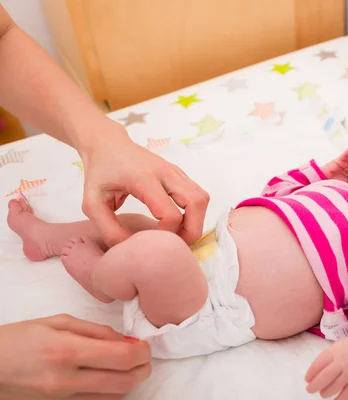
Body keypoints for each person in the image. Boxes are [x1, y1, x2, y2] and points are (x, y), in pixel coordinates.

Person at [8, 143, 348, 400]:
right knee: (138, 225)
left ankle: (101, 280)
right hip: (207, 247)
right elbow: (276, 193)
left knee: (156, 254)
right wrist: (318, 172)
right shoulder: (332, 189)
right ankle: (48, 234)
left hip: (215, 305)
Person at [0, 5, 209, 398]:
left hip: (221, 289)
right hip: (202, 273)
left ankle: (66, 252)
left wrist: (102, 141)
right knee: (149, 246)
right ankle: (93, 271)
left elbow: (1, 35)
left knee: (134, 231)